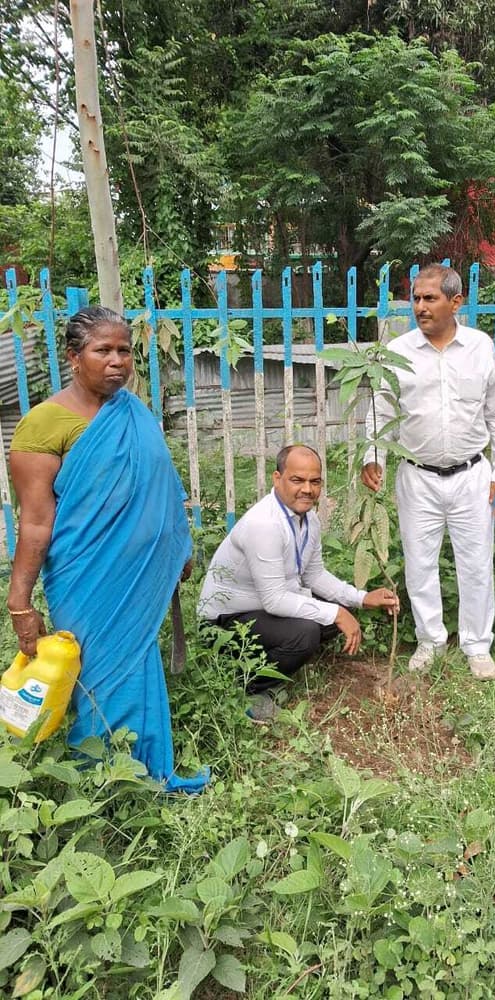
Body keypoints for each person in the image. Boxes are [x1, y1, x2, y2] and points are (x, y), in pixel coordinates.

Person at [8, 306, 207, 792]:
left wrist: (174, 549)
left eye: (123, 350)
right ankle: (98, 782)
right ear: (74, 357)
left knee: (138, 660)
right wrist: (19, 604)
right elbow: (34, 523)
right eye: (103, 350)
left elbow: (162, 486)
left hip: (140, 575)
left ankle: (143, 769)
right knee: (96, 671)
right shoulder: (43, 425)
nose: (117, 360)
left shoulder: (133, 412)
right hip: (84, 573)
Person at [361, 264, 495, 681]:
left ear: (455, 302)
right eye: (415, 298)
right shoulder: (401, 351)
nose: (420, 306)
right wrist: (372, 457)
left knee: (476, 562)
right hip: (416, 476)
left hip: (471, 476)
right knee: (419, 561)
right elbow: (381, 409)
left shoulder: (480, 347)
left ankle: (476, 645)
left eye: (430, 298)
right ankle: (429, 639)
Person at [198, 444, 399, 717]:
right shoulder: (264, 524)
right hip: (224, 623)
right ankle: (250, 688)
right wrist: (336, 613)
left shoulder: (309, 520)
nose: (307, 489)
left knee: (334, 613)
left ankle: (274, 660)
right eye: (297, 480)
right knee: (307, 633)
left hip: (261, 610)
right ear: (277, 479)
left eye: (314, 482)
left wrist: (361, 598)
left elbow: (314, 575)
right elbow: (274, 600)